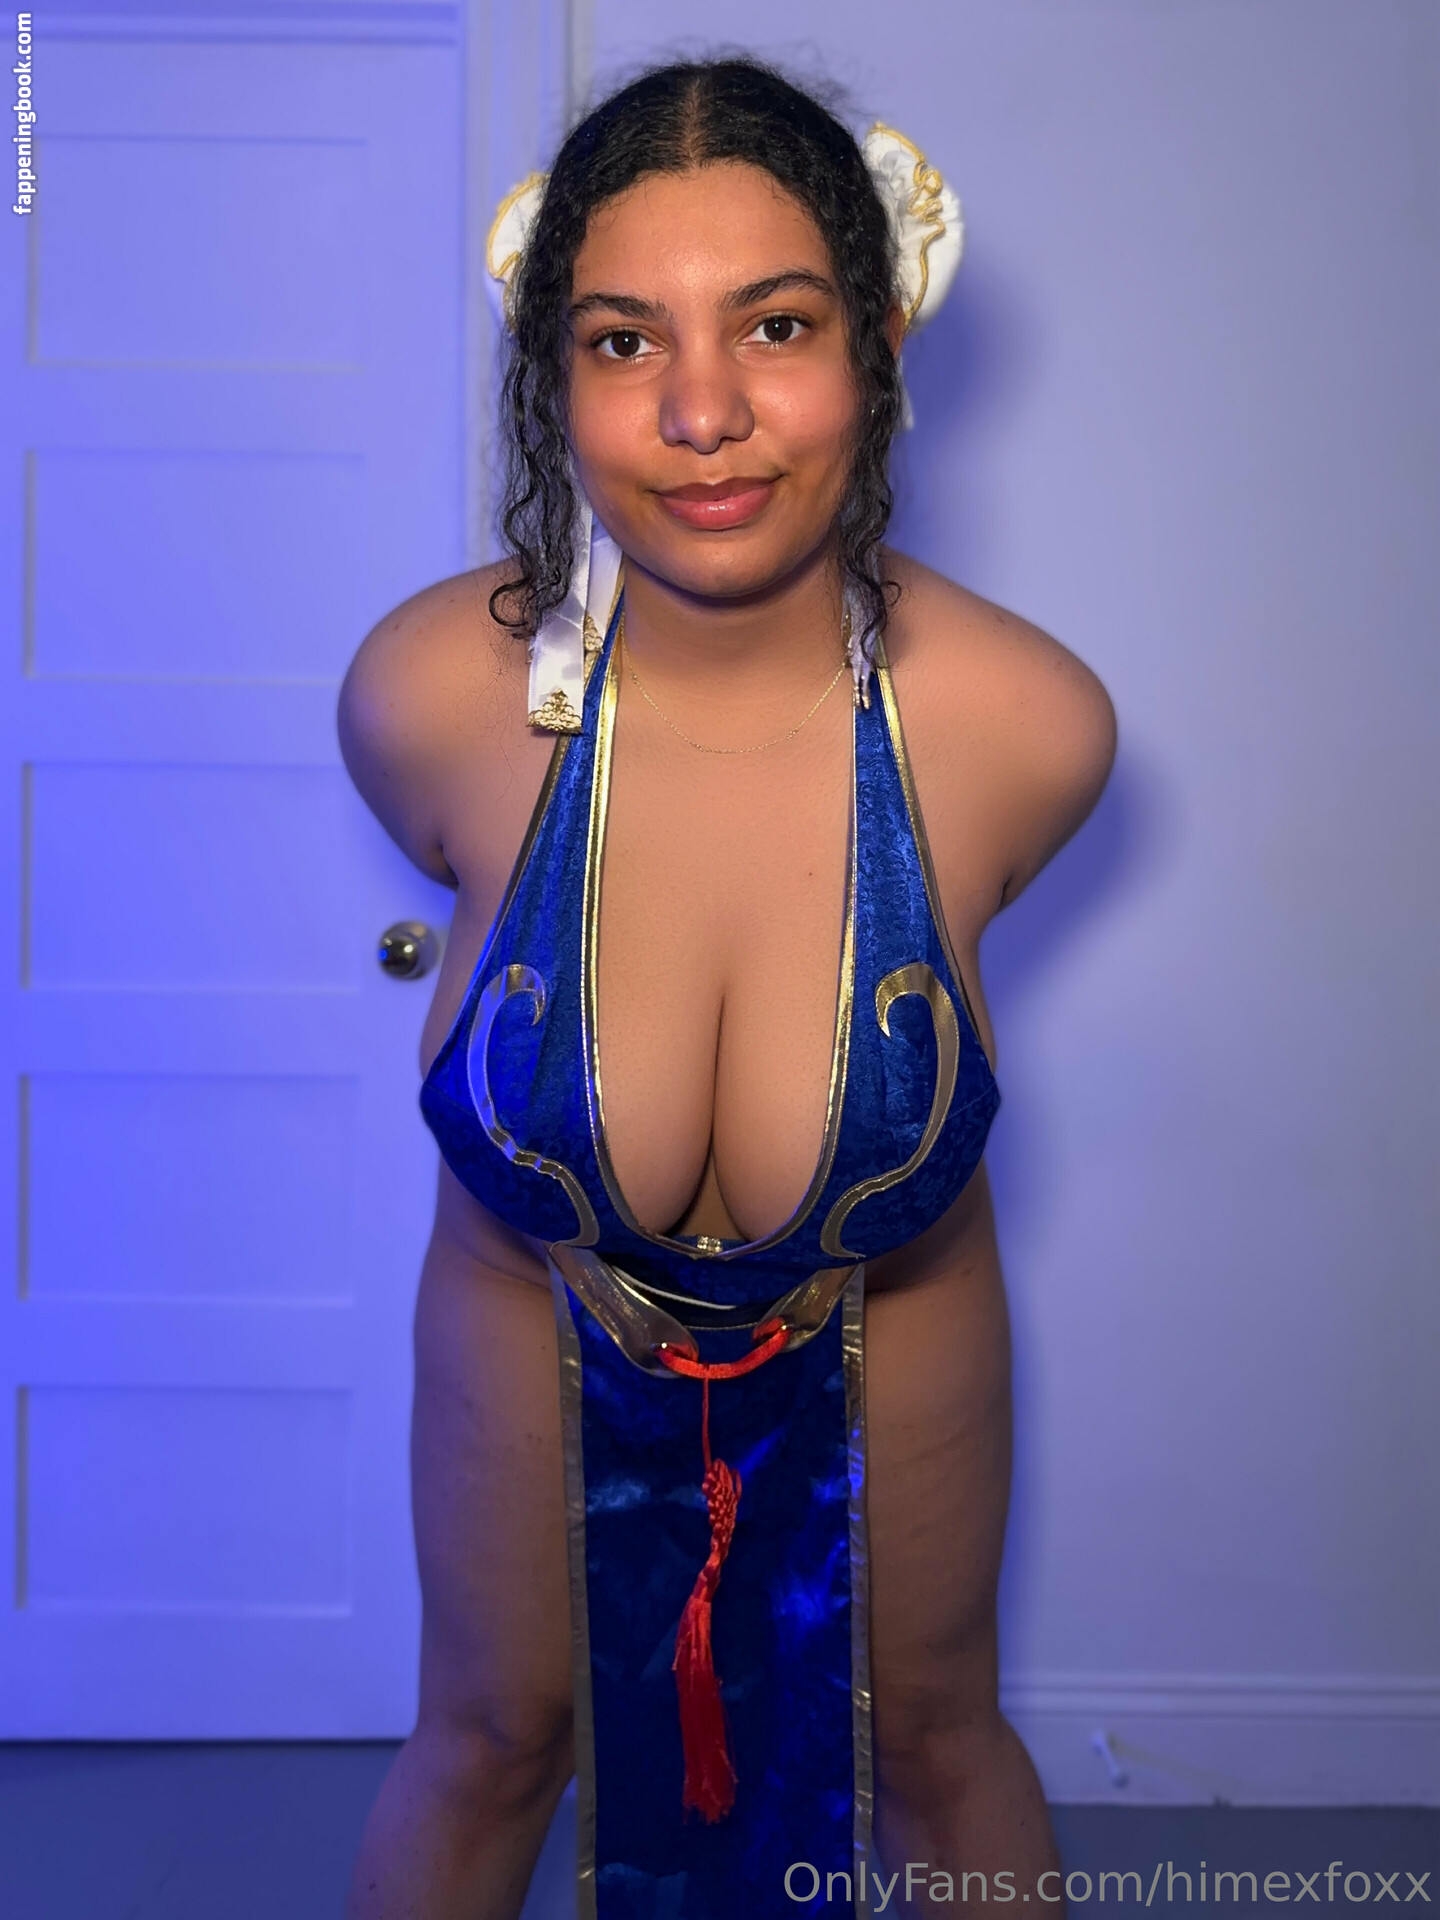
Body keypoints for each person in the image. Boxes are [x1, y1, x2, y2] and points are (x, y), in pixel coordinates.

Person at [338, 57, 1114, 1920]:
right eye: (624, 341)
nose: (702, 413)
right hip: (524, 1311)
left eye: (775, 324)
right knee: (488, 1739)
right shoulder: (426, 700)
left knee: (936, 1742)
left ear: (881, 344)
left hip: (891, 1319)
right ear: (553, 374)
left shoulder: (1026, 728)